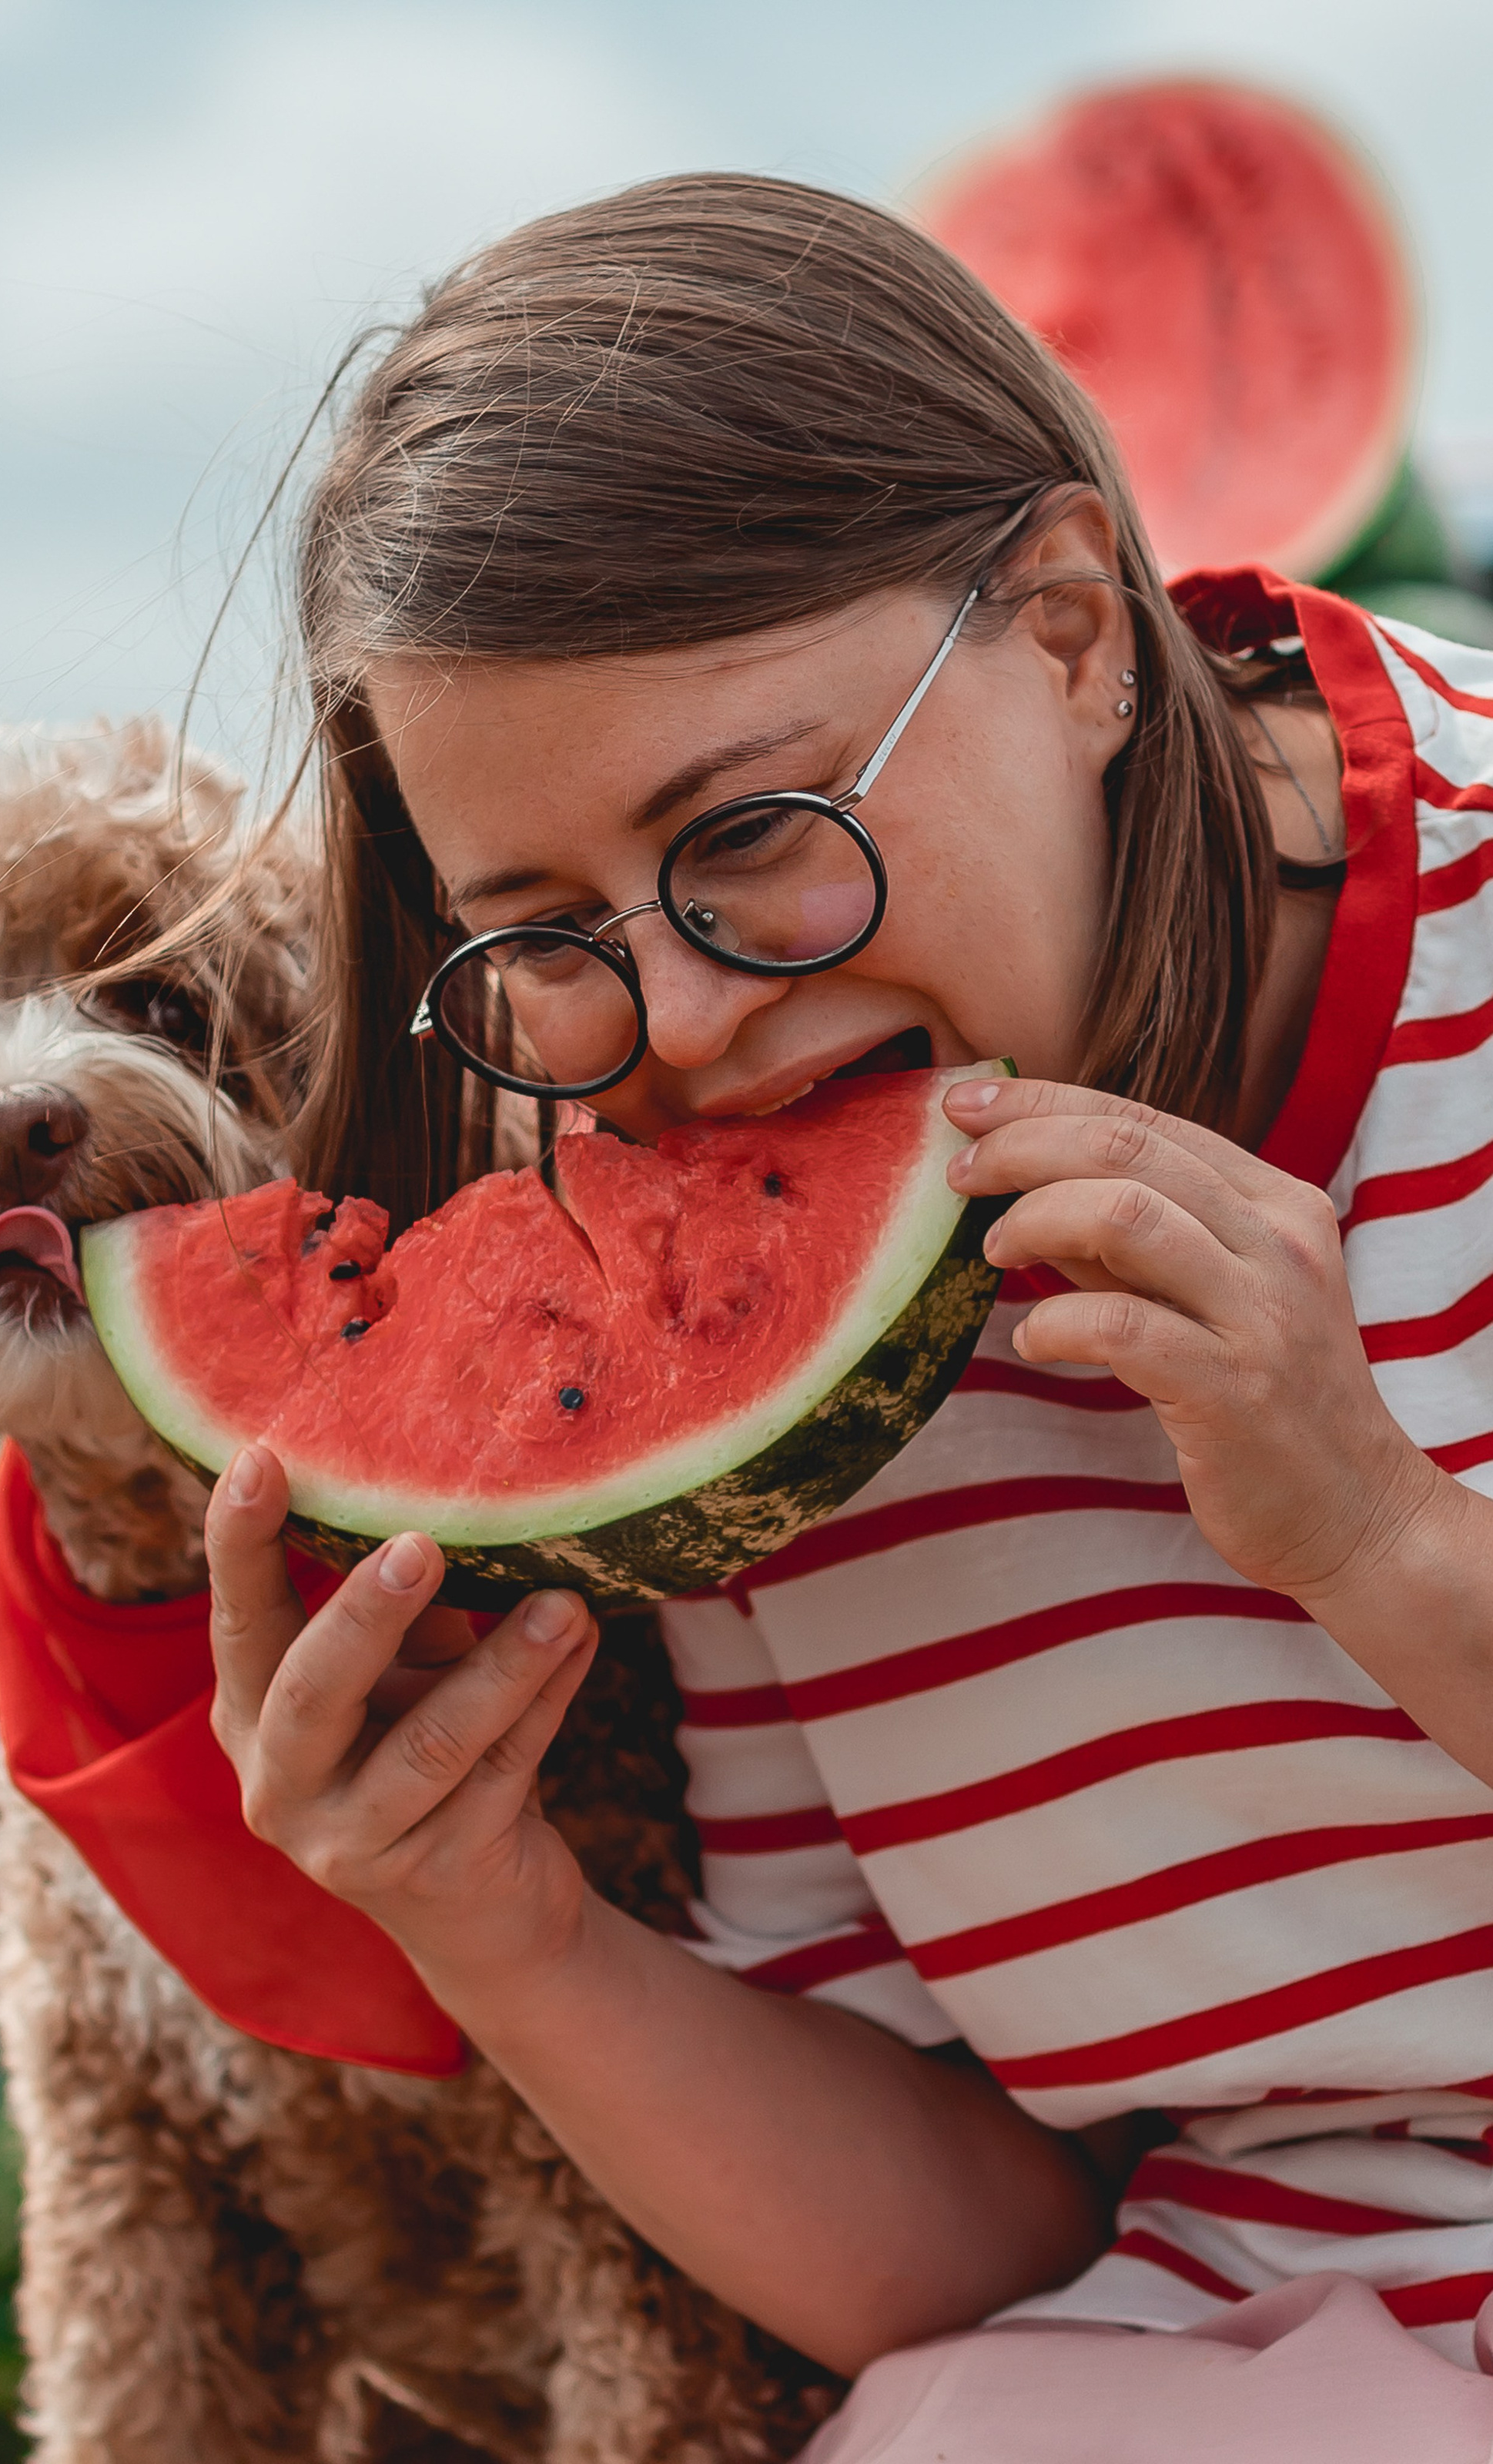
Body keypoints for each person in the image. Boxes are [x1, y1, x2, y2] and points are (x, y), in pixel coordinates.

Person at [197, 175, 1493, 2459]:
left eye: (753, 829)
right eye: (551, 933)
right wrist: (506, 1930)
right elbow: (986, 2268)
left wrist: (1382, 1543)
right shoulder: (686, 1313)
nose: (685, 1024)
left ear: (1073, 632)